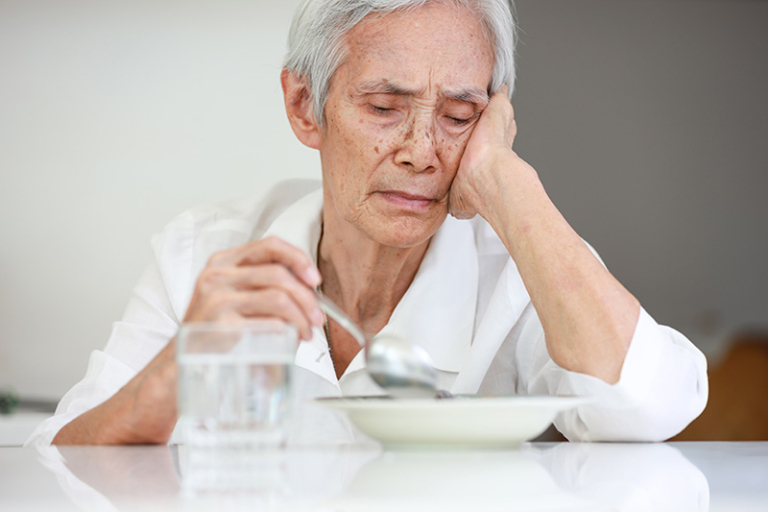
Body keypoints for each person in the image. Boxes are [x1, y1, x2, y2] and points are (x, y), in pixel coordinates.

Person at [27, 0, 707, 446]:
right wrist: (175, 372)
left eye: (460, 116)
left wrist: (508, 182)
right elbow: (53, 475)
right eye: (385, 106)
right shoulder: (203, 254)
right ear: (304, 106)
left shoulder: (524, 265)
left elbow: (653, 406)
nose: (421, 150)